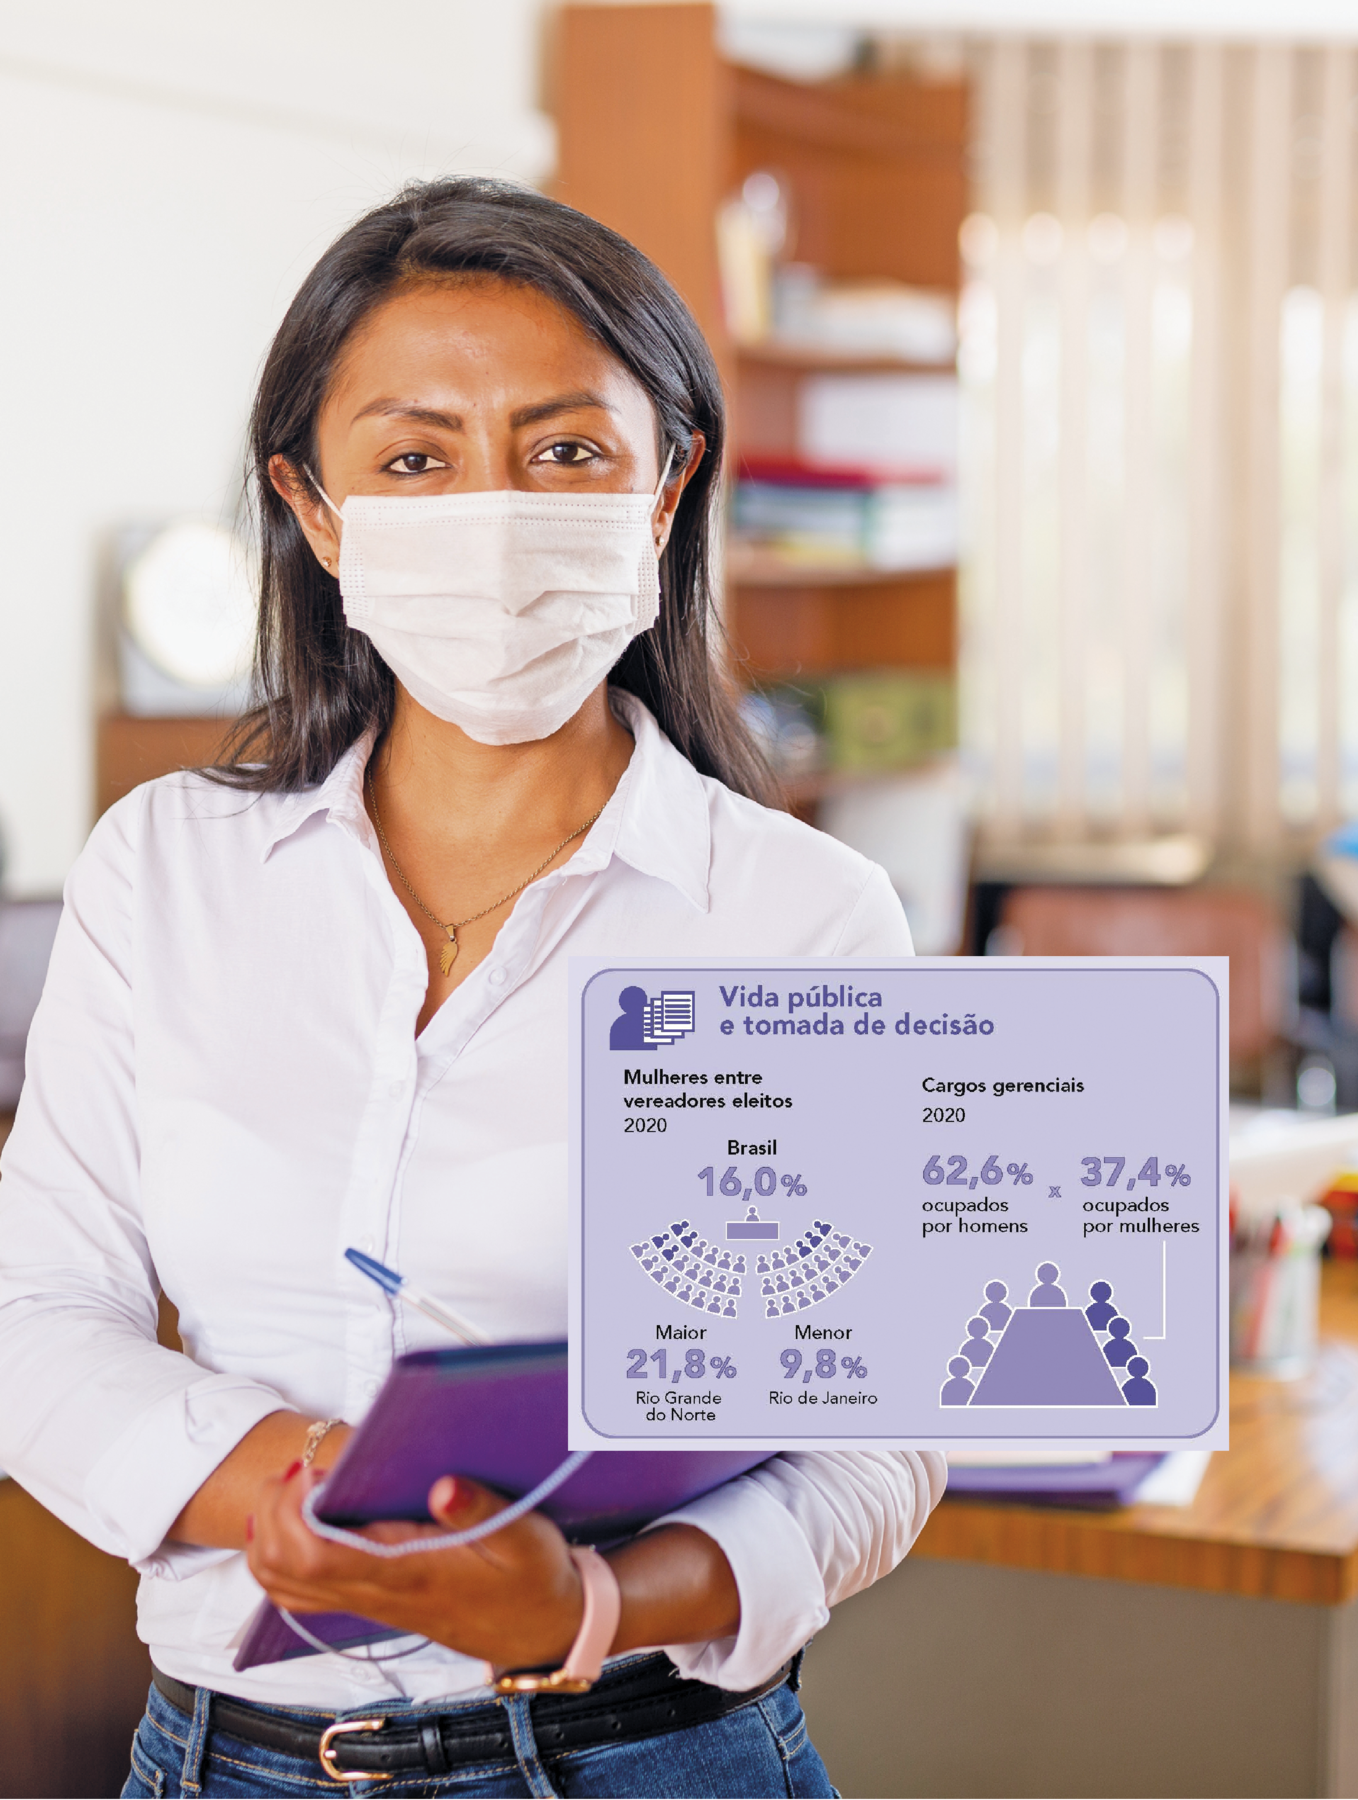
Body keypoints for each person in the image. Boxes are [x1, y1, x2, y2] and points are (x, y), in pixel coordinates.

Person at [0, 178, 945, 1800]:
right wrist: (321, 1496)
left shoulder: (800, 917)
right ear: (314, 507)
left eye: (566, 449)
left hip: (642, 1752)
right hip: (224, 1762)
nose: (495, 509)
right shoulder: (163, 870)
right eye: (416, 457)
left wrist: (583, 1594)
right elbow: (32, 1318)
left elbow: (870, 1439)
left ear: (663, 489)